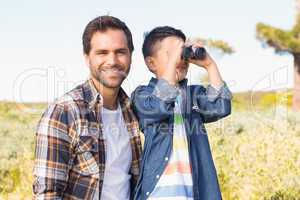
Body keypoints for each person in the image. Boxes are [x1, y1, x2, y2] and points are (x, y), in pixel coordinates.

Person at [33, 15, 142, 199]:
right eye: (102, 53)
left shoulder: (132, 111)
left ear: (131, 56)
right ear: (87, 58)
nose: (112, 60)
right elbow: (47, 193)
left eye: (120, 52)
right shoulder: (64, 112)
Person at [131, 26, 232, 200]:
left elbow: (221, 106)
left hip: (191, 193)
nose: (180, 58)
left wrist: (209, 65)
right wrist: (173, 64)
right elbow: (157, 107)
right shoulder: (142, 95)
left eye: (182, 53)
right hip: (156, 193)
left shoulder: (193, 95)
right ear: (151, 63)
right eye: (170, 54)